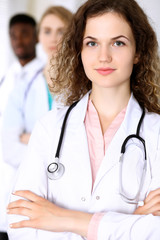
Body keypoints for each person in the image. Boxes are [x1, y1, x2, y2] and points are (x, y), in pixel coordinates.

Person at [6, 0, 160, 239]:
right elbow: (19, 223)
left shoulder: (156, 132)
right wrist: (130, 222)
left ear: (138, 52)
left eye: (118, 43)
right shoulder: (50, 128)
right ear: (79, 50)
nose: (104, 56)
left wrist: (64, 219)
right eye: (92, 43)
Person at [1, 7, 72, 239]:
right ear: (39, 36)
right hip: (34, 187)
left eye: (61, 30)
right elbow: (8, 142)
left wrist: (31, 138)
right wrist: (49, 154)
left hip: (72, 193)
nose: (53, 38)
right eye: (47, 31)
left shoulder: (86, 82)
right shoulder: (24, 84)